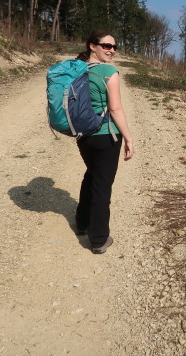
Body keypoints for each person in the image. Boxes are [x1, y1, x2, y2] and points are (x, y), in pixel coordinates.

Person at [74, 30, 134, 254]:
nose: (111, 50)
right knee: (102, 186)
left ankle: (81, 222)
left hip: (83, 136)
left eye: (114, 47)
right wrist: (128, 138)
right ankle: (99, 239)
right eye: (106, 45)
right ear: (92, 46)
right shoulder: (109, 71)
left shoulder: (77, 69)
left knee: (91, 174)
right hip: (106, 135)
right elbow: (116, 109)